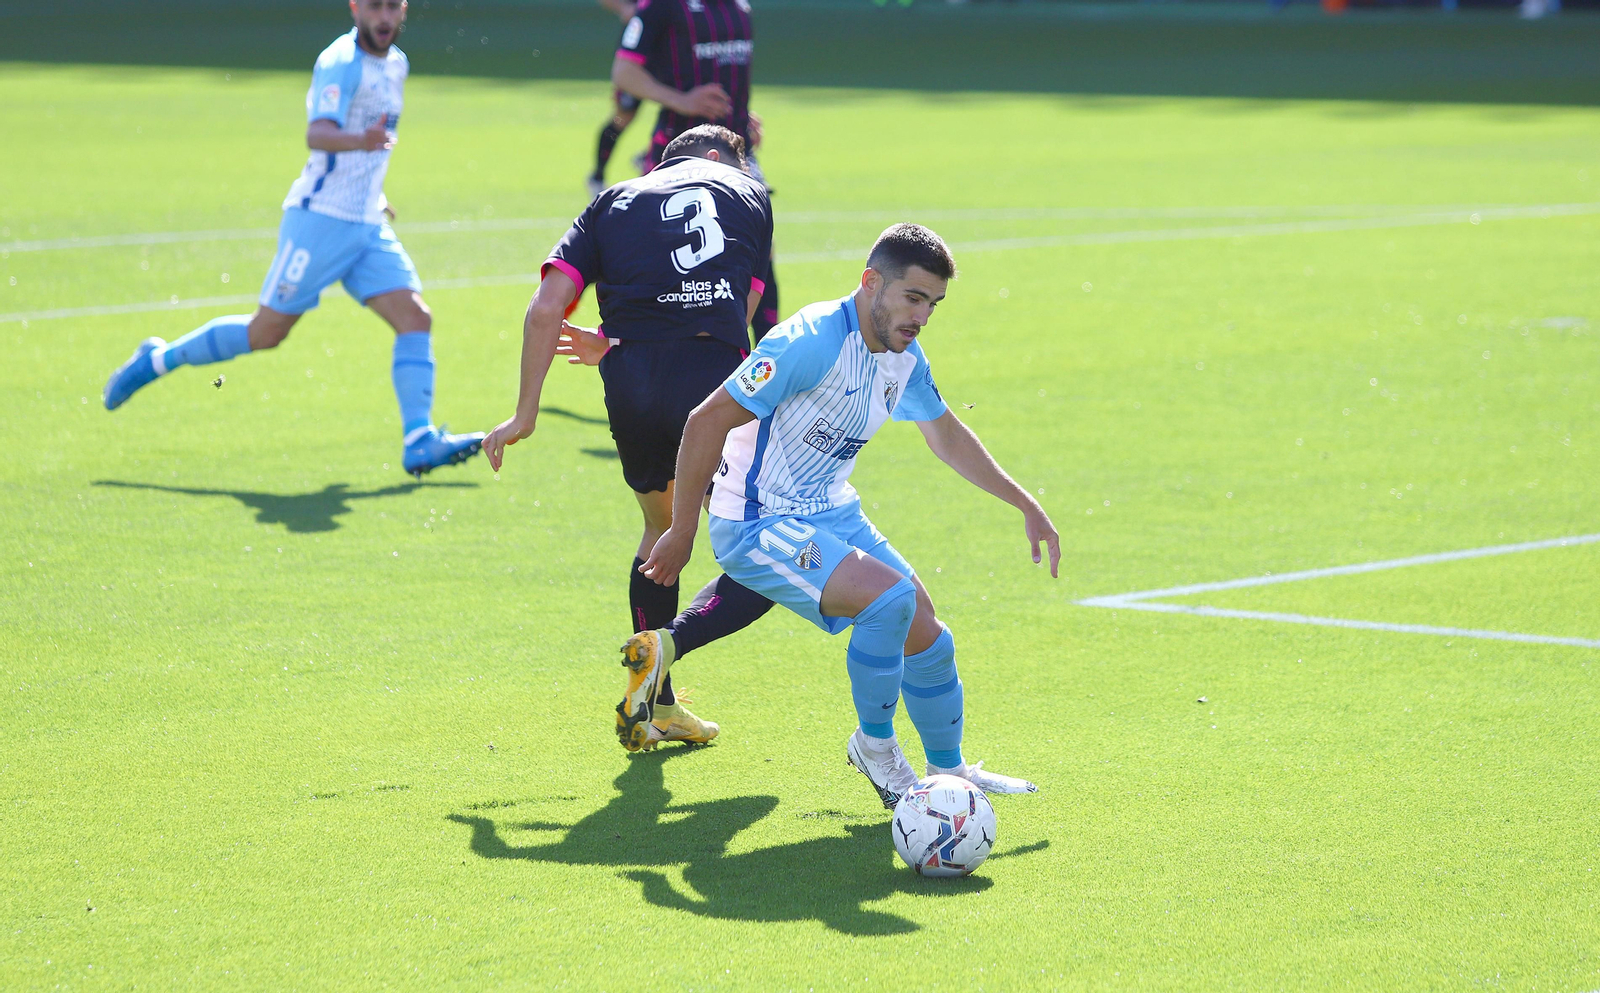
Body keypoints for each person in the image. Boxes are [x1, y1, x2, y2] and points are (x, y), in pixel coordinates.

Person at [640, 223, 1059, 806]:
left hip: (829, 510)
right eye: (913, 298)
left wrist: (1024, 502)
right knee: (888, 601)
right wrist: (682, 532)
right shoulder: (808, 341)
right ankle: (876, 748)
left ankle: (950, 773)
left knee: (929, 636)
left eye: (933, 304)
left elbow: (947, 435)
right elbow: (705, 421)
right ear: (871, 283)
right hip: (756, 521)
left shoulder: (902, 356)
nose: (922, 317)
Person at [483, 125, 779, 752]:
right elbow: (738, 314)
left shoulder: (611, 201)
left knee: (660, 528)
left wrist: (524, 413)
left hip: (634, 382)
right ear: (718, 158)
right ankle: (666, 648)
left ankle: (658, 706)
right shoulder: (748, 192)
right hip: (714, 380)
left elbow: (544, 310)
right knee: (770, 545)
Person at [102, 0, 484, 477]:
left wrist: (376, 192)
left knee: (415, 318)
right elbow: (318, 134)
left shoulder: (397, 66)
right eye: (374, 6)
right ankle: (158, 360)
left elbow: (368, 146)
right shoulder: (339, 62)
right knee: (265, 333)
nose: (384, 17)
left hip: (365, 224)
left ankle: (418, 440)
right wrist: (360, 142)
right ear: (356, 7)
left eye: (392, 6)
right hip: (319, 221)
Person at [610, 0, 781, 341]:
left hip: (735, 156)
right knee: (668, 265)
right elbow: (623, 72)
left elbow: (723, 74)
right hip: (677, 157)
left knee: (759, 257)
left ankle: (768, 369)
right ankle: (640, 354)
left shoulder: (740, 9)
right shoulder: (663, 7)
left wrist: (741, 114)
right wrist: (681, 100)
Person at [587, 0, 646, 198]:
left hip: (675, 42)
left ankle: (651, 154)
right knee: (623, 116)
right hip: (640, 46)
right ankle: (597, 176)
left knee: (684, 104)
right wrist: (626, 9)